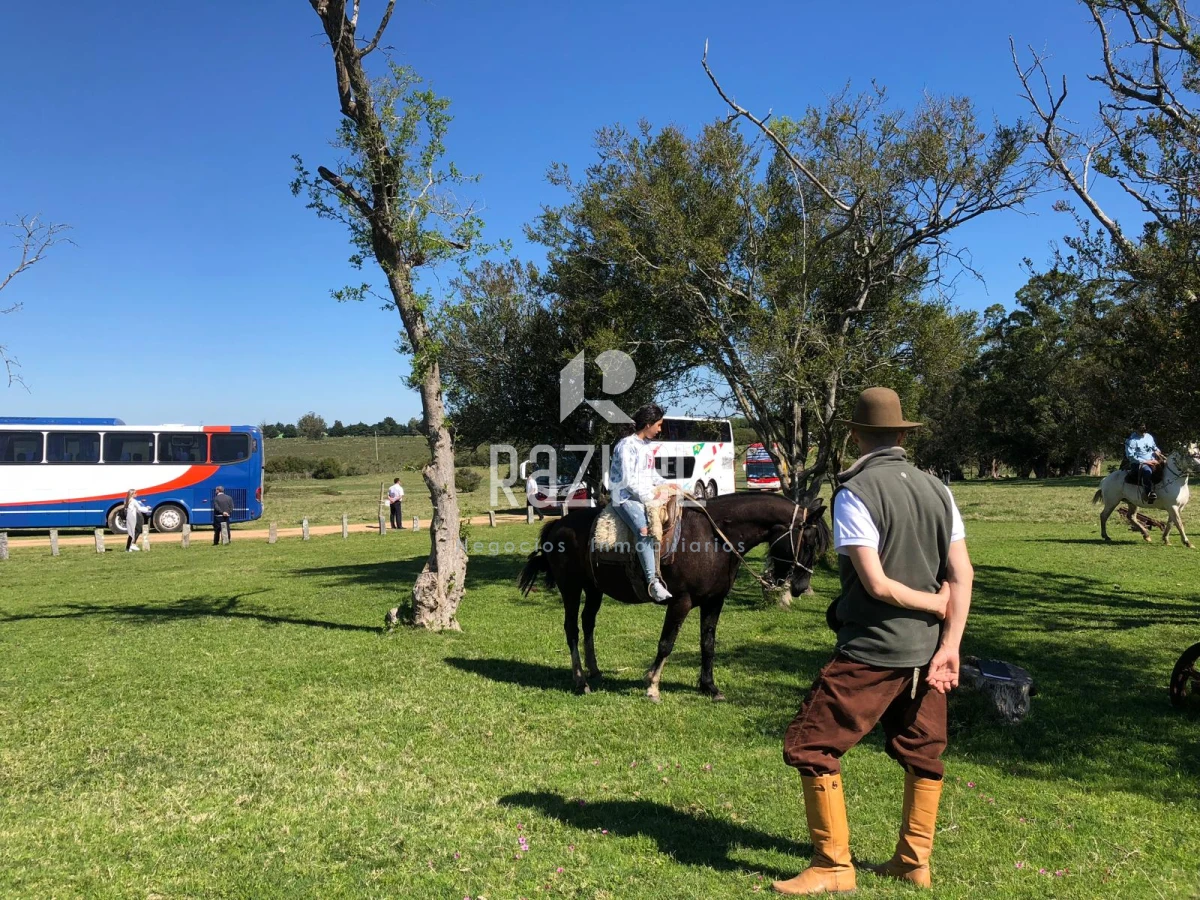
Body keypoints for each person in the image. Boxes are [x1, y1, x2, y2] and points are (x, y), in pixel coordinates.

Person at [773, 387, 973, 895]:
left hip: (872, 650)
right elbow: (963, 574)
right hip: (929, 653)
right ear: (903, 435)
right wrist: (949, 644)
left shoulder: (855, 491)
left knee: (810, 743)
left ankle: (834, 867)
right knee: (924, 752)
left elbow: (877, 584)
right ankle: (913, 861)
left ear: (856, 436)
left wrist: (933, 604)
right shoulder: (938, 489)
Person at [609, 403, 676, 604]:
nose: (660, 429)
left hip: (643, 494)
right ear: (647, 424)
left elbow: (650, 474)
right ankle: (653, 582)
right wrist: (650, 498)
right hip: (624, 498)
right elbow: (628, 481)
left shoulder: (646, 446)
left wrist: (667, 484)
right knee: (645, 530)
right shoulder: (626, 446)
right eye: (658, 425)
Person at [1124, 423, 1165, 503]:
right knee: (1147, 472)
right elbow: (1130, 456)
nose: (1144, 432)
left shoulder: (1149, 437)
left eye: (1145, 430)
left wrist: (1157, 451)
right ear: (1136, 429)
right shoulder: (1131, 440)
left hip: (1153, 461)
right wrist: (1147, 461)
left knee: (1167, 467)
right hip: (1139, 464)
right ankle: (1148, 493)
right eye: (1141, 430)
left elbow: (1154, 447)